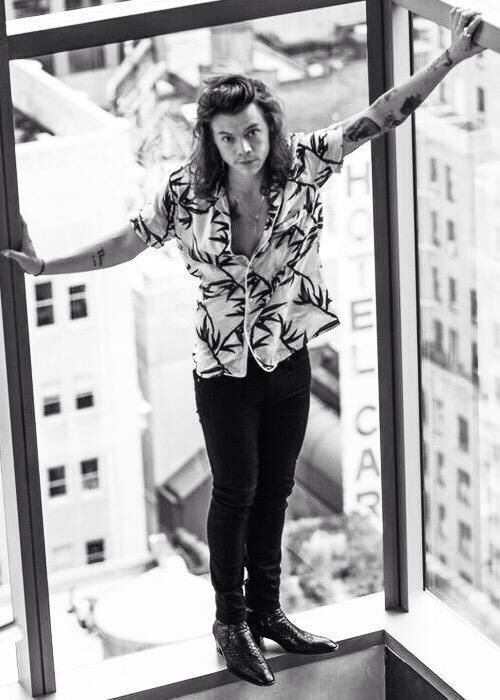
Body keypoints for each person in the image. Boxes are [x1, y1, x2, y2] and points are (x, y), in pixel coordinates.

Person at [1, 6, 485, 687]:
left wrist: (450, 58)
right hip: (222, 369)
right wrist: (48, 268)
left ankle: (268, 611)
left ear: (269, 128)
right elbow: (125, 242)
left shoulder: (305, 165)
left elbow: (385, 112)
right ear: (213, 141)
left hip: (287, 357)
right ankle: (229, 622)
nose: (245, 149)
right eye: (229, 139)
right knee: (235, 492)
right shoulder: (186, 195)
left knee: (278, 490)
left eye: (253, 134)